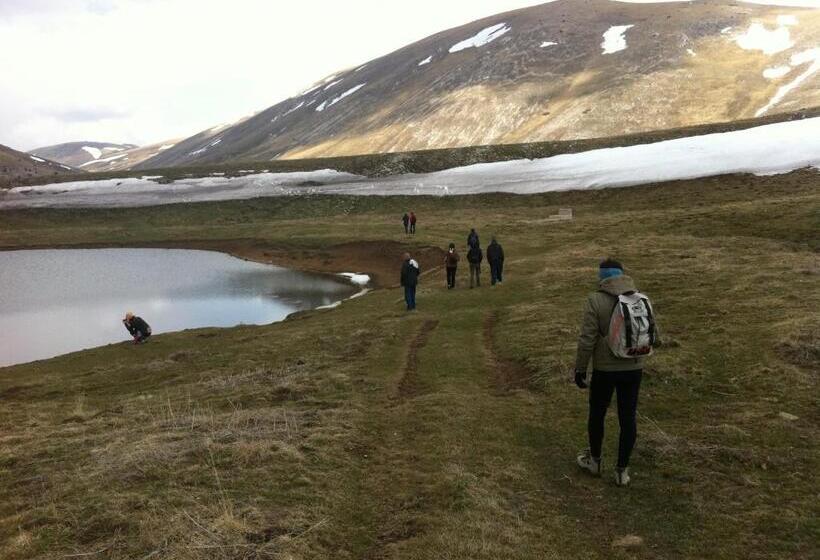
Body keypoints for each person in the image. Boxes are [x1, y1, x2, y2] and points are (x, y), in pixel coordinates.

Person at [574, 259, 660, 487]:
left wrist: (580, 368)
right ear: (622, 275)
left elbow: (587, 339)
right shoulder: (639, 299)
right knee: (628, 416)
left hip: (604, 369)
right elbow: (654, 333)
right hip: (634, 367)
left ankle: (595, 461)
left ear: (602, 277)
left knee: (597, 414)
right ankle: (622, 471)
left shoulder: (595, 300)